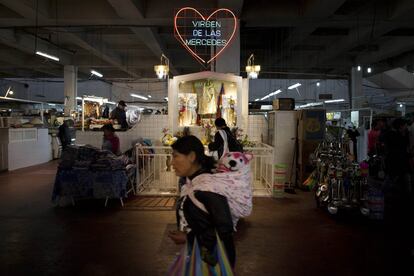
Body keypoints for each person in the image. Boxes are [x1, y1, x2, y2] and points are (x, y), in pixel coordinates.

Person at [168, 135, 236, 268]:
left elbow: (224, 229)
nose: (171, 162)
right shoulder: (192, 184)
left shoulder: (207, 188)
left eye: (175, 156)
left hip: (213, 262)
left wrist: (189, 238)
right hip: (201, 256)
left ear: (192, 157)